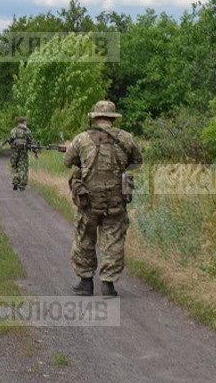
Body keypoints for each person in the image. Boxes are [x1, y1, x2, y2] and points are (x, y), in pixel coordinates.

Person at [63, 100, 142, 297]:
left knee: (84, 240)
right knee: (113, 242)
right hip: (116, 200)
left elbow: (68, 162)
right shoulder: (126, 138)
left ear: (95, 117)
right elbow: (137, 161)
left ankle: (85, 282)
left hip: (88, 200)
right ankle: (108, 285)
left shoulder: (81, 139)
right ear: (113, 118)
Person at [8, 117, 35, 191]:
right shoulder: (27, 130)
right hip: (23, 151)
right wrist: (35, 151)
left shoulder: (13, 130)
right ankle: (22, 184)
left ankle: (15, 181)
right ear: (24, 122)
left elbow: (10, 140)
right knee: (23, 166)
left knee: (14, 166)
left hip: (14, 151)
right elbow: (31, 141)